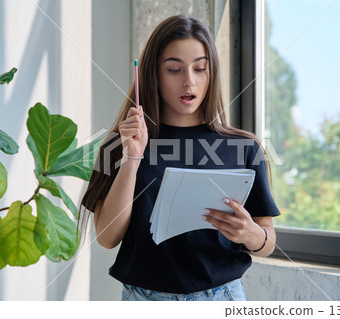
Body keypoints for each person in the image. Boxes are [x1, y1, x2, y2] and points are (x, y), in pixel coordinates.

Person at [80, 15, 280, 301]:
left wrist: (250, 234)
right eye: (174, 70)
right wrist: (132, 158)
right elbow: (107, 238)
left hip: (222, 298)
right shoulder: (118, 146)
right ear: (153, 75)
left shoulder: (245, 147)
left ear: (211, 74)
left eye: (200, 69)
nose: (189, 81)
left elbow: (268, 240)